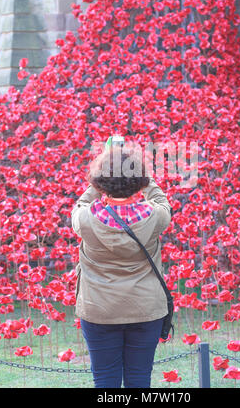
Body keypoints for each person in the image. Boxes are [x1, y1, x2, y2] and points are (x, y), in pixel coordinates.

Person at [71, 146, 172, 388]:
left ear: (100, 182)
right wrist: (145, 179)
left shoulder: (85, 219)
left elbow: (81, 204)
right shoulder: (154, 216)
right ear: (139, 181)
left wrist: (101, 180)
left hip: (99, 310)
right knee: (139, 379)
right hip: (146, 309)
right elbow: (161, 201)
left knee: (105, 380)